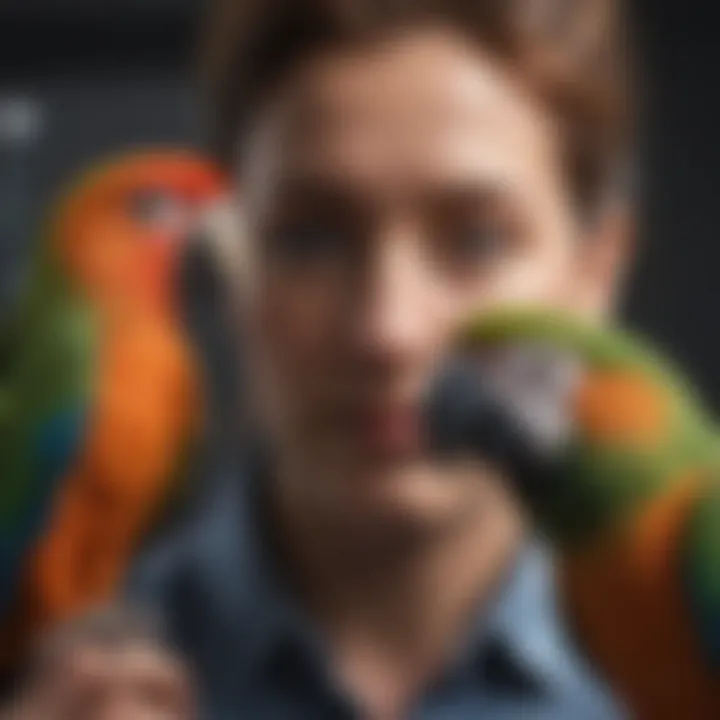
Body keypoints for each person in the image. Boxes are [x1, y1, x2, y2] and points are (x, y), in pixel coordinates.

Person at [7, 0, 637, 717]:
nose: (386, 331)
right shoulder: (67, 677)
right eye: (309, 239)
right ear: (237, 271)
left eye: (476, 243)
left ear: (595, 276)